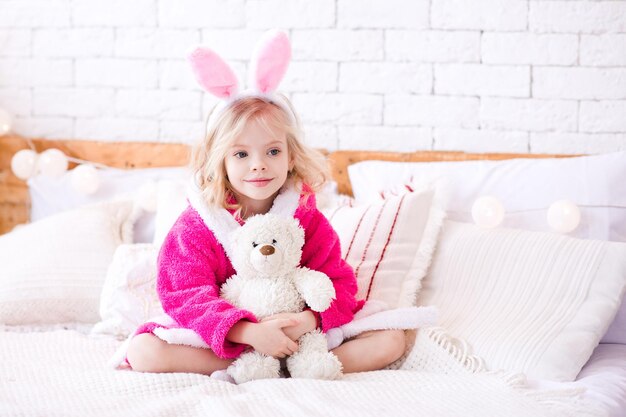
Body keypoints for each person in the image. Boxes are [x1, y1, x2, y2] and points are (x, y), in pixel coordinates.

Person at [125, 30, 405, 377]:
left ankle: (292, 363)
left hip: (297, 334)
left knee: (392, 340)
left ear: (290, 157)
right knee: (143, 352)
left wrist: (306, 321)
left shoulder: (305, 218)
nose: (258, 164)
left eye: (272, 151)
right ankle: (260, 364)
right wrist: (249, 332)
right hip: (230, 338)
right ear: (220, 161)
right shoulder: (196, 226)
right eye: (241, 154)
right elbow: (183, 294)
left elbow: (338, 282)